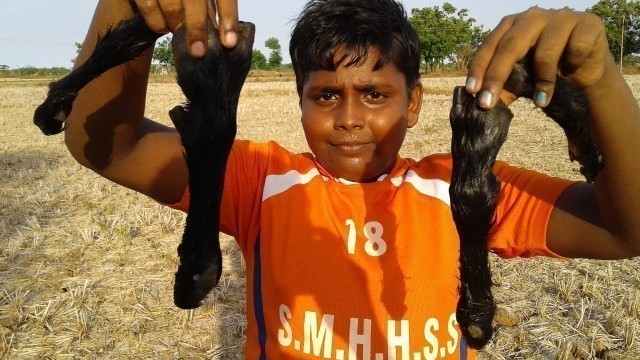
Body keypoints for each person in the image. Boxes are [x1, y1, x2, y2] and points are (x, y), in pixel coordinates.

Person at [65, 0, 640, 358]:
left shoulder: (462, 187)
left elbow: (624, 232)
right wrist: (127, 13)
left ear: (414, 103)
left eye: (374, 94)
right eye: (325, 95)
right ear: (300, 102)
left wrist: (599, 79)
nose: (348, 119)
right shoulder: (261, 182)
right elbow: (111, 146)